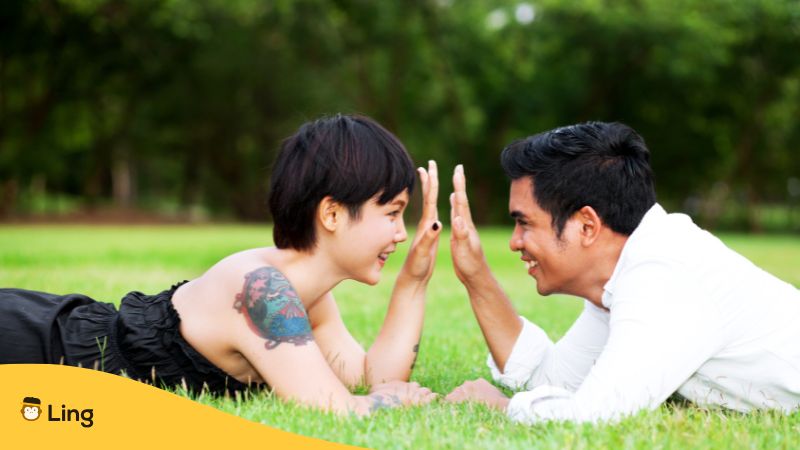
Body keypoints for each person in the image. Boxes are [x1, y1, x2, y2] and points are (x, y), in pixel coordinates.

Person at [0, 114, 441, 415]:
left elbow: (368, 378)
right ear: (331, 214)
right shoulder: (259, 288)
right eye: (392, 213)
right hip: (33, 347)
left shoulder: (311, 299)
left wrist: (414, 281)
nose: (401, 233)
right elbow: (337, 409)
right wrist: (400, 400)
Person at [443, 122, 800, 423]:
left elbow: (599, 415)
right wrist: (476, 275)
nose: (515, 242)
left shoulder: (664, 276)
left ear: (586, 225)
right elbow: (551, 379)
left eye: (524, 223)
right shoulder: (624, 274)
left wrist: (500, 406)